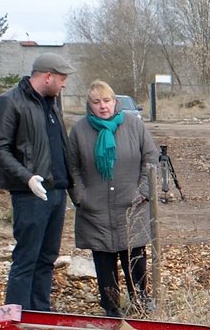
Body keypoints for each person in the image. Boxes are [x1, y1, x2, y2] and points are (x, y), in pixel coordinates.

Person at [0, 52, 76, 311]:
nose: (64, 84)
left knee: (47, 259)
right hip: (31, 195)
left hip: (56, 192)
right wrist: (27, 179)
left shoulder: (51, 103)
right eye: (61, 78)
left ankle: (40, 316)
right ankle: (16, 320)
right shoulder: (9, 102)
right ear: (47, 76)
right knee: (26, 258)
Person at [65, 80, 157, 317]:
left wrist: (144, 191)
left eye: (107, 101)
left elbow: (150, 158)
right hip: (95, 209)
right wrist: (81, 196)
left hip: (132, 205)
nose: (103, 107)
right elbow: (71, 168)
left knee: (135, 258)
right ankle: (111, 308)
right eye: (96, 102)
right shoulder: (80, 131)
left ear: (115, 102)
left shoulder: (133, 125)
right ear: (89, 105)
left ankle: (141, 301)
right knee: (104, 260)